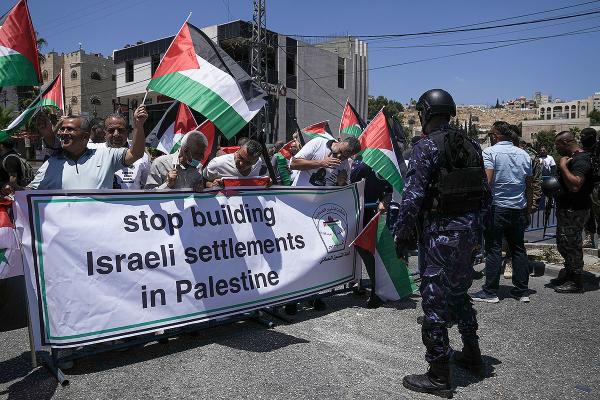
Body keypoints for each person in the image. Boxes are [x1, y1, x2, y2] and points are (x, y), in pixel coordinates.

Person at [393, 89, 488, 397]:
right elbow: (485, 194)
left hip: (441, 234)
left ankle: (439, 376)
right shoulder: (472, 144)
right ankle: (472, 354)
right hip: (469, 232)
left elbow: (413, 198)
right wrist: (478, 235)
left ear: (424, 113)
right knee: (460, 294)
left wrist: (403, 235)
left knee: (434, 301)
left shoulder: (425, 147)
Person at [471, 121, 533, 304]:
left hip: (497, 208)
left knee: (493, 249)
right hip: (519, 208)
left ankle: (490, 291)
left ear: (495, 136)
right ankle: (522, 291)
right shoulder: (524, 154)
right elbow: (529, 185)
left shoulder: (489, 153)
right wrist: (528, 209)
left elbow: (487, 182)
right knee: (518, 249)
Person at [28, 106, 148, 190]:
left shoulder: (106, 154)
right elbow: (28, 193)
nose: (63, 133)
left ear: (85, 137)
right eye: (62, 129)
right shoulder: (52, 163)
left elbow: (135, 154)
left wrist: (139, 124)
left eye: (70, 129)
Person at [549, 131, 593, 293]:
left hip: (575, 209)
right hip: (567, 208)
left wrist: (562, 166)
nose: (557, 148)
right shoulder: (573, 158)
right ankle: (568, 273)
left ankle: (576, 280)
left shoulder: (581, 159)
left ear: (566, 142)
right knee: (563, 243)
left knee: (572, 244)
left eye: (558, 145)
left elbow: (575, 185)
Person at [350, 156, 392, 308]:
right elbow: (348, 184)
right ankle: (356, 283)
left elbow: (388, 191)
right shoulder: (363, 167)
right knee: (351, 250)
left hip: (368, 214)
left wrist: (384, 202)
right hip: (351, 211)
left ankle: (376, 290)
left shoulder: (384, 168)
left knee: (365, 250)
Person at [102, 113, 151, 190]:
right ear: (104, 132)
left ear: (127, 132)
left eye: (120, 130)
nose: (116, 134)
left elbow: (148, 186)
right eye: (111, 130)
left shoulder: (142, 157)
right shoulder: (95, 154)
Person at [290, 136, 361, 187]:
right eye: (340, 151)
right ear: (340, 141)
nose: (339, 156)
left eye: (345, 157)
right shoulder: (319, 143)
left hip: (320, 206)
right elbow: (293, 164)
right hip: (298, 198)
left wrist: (341, 183)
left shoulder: (345, 167)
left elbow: (342, 194)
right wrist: (321, 163)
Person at [580, 128, 599, 248]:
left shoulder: (597, 149)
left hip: (597, 185)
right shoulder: (583, 151)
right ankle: (589, 237)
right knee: (588, 214)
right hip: (586, 186)